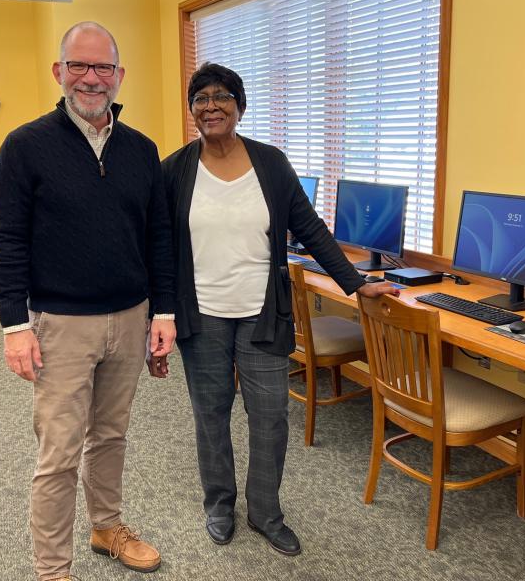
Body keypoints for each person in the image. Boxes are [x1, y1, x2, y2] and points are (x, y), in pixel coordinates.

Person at [158, 63, 399, 556]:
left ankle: (265, 511)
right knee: (211, 413)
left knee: (269, 417)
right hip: (199, 314)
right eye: (200, 98)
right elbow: (159, 245)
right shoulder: (175, 169)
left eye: (222, 96)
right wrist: (157, 314)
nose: (211, 106)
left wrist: (355, 284)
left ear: (240, 106)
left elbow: (310, 229)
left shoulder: (271, 163)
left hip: (262, 312)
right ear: (192, 111)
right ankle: (219, 503)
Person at [0, 21, 176, 581]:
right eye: (79, 66)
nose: (91, 79)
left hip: (130, 317)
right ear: (59, 72)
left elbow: (159, 237)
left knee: (112, 436)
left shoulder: (143, 150)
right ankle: (53, 570)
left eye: (103, 68)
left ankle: (107, 525)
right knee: (59, 454)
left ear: (119, 76)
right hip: (61, 324)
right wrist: (12, 325)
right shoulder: (25, 146)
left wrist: (163, 313)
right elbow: (7, 240)